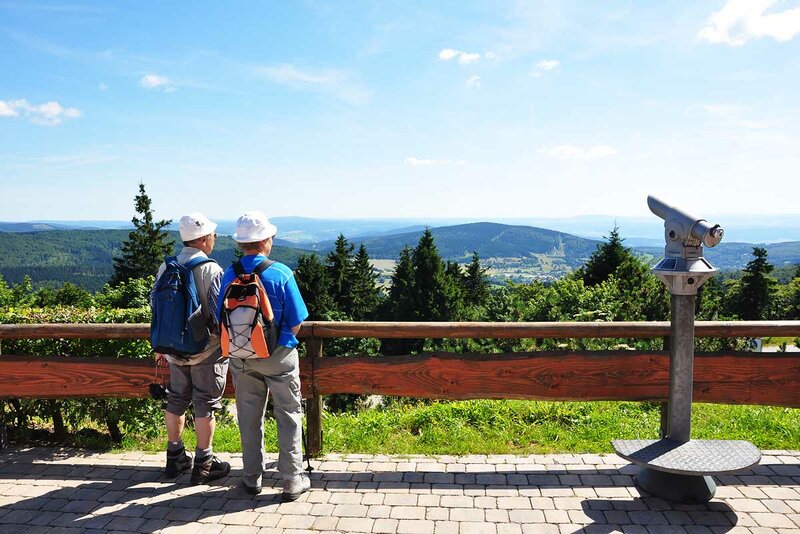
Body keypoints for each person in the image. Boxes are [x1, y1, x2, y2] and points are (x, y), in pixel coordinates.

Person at [218, 211, 310, 500]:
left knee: (248, 416)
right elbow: (296, 320)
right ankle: (292, 479)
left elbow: (219, 317)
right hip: (279, 357)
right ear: (266, 240)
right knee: (288, 414)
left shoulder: (229, 274)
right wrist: (283, 344)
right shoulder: (281, 273)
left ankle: (251, 476)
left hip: (242, 357)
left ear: (241, 244)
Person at [153, 212, 231, 485]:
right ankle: (205, 462)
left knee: (176, 399)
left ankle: (174, 457)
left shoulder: (166, 267)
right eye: (213, 235)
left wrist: (161, 347)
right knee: (205, 404)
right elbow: (220, 315)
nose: (214, 239)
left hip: (173, 350)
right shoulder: (211, 269)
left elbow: (157, 309)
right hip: (206, 350)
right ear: (202, 239)